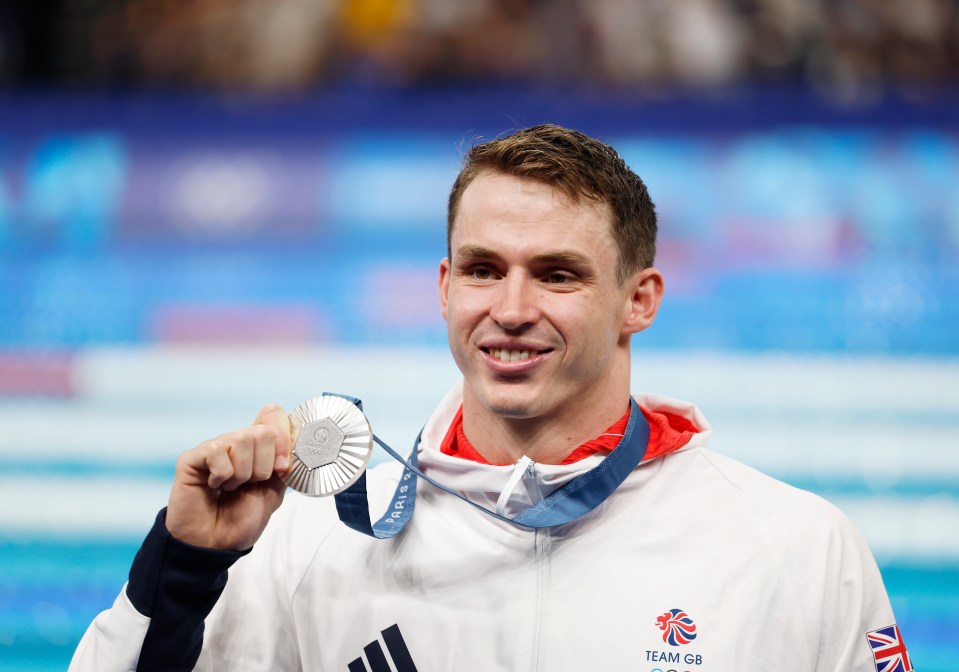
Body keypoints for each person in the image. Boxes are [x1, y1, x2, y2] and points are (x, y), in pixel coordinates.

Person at [70, 124, 909, 672]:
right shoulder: (306, 543)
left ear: (639, 300)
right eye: (481, 270)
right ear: (443, 287)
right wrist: (185, 566)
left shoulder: (794, 550)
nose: (509, 310)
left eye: (556, 274)